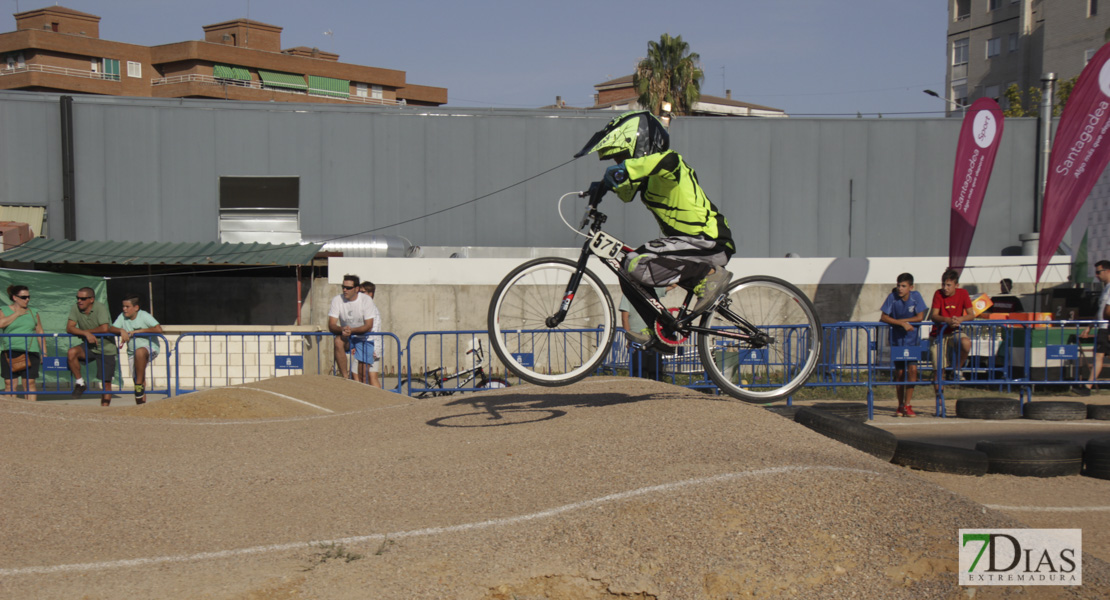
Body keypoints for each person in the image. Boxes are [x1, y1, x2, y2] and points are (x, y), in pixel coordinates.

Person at [576, 111, 734, 350]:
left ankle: (708, 275)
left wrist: (621, 172)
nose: (619, 162)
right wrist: (601, 189)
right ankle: (657, 329)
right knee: (625, 271)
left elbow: (663, 162)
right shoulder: (648, 181)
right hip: (688, 245)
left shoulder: (669, 163)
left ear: (639, 148)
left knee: (634, 259)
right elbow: (626, 189)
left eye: (621, 156)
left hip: (708, 240)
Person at [879, 273, 927, 417]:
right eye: (898, 285)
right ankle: (900, 405)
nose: (900, 288)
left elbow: (920, 317)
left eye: (903, 286)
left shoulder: (916, 297)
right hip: (897, 340)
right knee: (900, 373)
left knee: (912, 371)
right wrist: (901, 323)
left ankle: (908, 404)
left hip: (912, 340)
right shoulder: (892, 297)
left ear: (910, 287)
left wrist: (904, 322)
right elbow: (883, 317)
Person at [66, 287, 118, 406]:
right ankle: (80, 383)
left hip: (106, 349)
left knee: (106, 383)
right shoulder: (75, 307)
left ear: (91, 299)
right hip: (89, 346)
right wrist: (85, 333)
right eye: (77, 298)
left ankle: (104, 410)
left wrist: (88, 332)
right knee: (72, 352)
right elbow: (69, 327)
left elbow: (104, 328)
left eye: (83, 298)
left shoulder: (100, 308)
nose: (79, 301)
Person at [110, 294, 163, 405]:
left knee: (140, 352)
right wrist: (121, 330)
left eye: (127, 306)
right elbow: (111, 328)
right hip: (131, 352)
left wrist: (137, 332)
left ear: (136, 308)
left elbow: (158, 329)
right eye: (123, 306)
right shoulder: (122, 316)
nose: (124, 309)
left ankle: (139, 384)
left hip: (150, 348)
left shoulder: (144, 315)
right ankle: (140, 406)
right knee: (138, 378)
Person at [929, 269, 974, 393]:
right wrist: (947, 320)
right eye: (943, 284)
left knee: (966, 342)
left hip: (955, 331)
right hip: (938, 333)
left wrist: (960, 319)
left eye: (948, 285)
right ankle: (940, 400)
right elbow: (934, 315)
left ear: (956, 285)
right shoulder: (938, 294)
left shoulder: (963, 293)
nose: (945, 288)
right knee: (939, 369)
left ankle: (957, 369)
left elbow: (971, 314)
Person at [0, 285, 46, 399]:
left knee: (29, 383)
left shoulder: (33, 312)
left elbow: (40, 331)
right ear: (15, 298)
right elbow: (1, 324)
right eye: (24, 297)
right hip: (9, 351)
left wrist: (44, 353)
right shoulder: (4, 310)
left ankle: (31, 408)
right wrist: (16, 314)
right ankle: (12, 411)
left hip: (30, 351)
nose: (27, 299)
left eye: (28, 297)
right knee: (10, 384)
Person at [328, 274, 376, 380]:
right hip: (348, 337)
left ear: (357, 289)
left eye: (348, 288)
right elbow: (331, 325)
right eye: (343, 287)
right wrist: (342, 329)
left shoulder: (366, 300)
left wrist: (351, 330)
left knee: (363, 375)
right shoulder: (337, 300)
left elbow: (368, 326)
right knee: (338, 341)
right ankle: (345, 378)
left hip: (364, 338)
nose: (345, 290)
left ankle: (366, 394)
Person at [1077, 260, 1110, 396]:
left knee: (1099, 357)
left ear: (1107, 271)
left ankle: (1087, 387)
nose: (1096, 275)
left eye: (1098, 272)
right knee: (1098, 357)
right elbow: (1100, 311)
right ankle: (1087, 387)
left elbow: (1108, 311)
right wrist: (1090, 326)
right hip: (1103, 327)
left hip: (1107, 327)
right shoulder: (1106, 288)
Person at [619, 288, 668, 380]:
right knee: (639, 373)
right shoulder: (628, 294)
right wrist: (630, 337)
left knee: (655, 372)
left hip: (653, 338)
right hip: (638, 338)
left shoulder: (652, 290)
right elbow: (624, 318)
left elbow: (672, 285)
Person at [358, 280, 383, 388]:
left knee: (364, 376)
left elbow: (371, 328)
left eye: (363, 292)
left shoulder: (370, 307)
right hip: (369, 343)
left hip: (369, 343)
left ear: (370, 294)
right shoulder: (367, 307)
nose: (360, 295)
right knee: (371, 376)